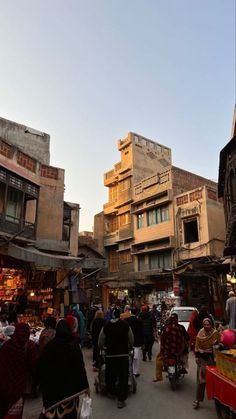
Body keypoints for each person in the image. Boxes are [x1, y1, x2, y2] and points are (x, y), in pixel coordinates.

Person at [38, 319, 89, 419]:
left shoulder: (49, 347)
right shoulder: (74, 347)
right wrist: (85, 385)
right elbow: (80, 367)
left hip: (53, 392)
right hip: (70, 391)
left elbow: (42, 368)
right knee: (70, 414)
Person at [0, 323, 38, 418]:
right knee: (15, 413)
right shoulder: (30, 346)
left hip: (4, 386)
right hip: (19, 386)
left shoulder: (6, 345)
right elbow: (34, 366)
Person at [98, 307, 134, 409]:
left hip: (110, 356)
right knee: (123, 377)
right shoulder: (125, 325)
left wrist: (102, 347)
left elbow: (100, 342)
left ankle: (112, 392)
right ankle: (121, 400)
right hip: (123, 356)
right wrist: (130, 347)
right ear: (119, 315)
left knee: (110, 375)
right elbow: (131, 340)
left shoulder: (106, 326)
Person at [192, 318, 219, 410]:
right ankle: (198, 400)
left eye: (208, 324)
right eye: (205, 325)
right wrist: (196, 356)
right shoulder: (200, 333)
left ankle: (217, 400)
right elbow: (197, 346)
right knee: (201, 380)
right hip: (202, 358)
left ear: (211, 324)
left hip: (212, 359)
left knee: (214, 380)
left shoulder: (215, 333)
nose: (206, 326)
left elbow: (217, 346)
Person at [123, 307, 144, 377]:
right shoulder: (139, 321)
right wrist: (142, 342)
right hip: (137, 342)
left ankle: (128, 370)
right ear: (137, 313)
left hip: (128, 341)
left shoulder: (126, 320)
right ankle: (135, 372)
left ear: (130, 312)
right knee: (136, 358)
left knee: (128, 357)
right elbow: (141, 332)